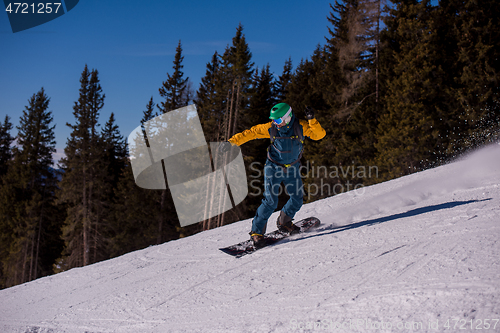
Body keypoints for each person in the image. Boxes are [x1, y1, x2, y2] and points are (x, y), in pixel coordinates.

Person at [220, 103, 326, 248]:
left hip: (292, 168)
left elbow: (319, 135)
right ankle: (257, 233)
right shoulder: (271, 128)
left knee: (297, 198)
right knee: (270, 201)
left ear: (287, 117)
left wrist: (312, 120)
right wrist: (231, 142)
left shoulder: (300, 126)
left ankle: (285, 222)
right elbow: (251, 133)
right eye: (273, 120)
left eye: (277, 120)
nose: (274, 123)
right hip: (273, 167)